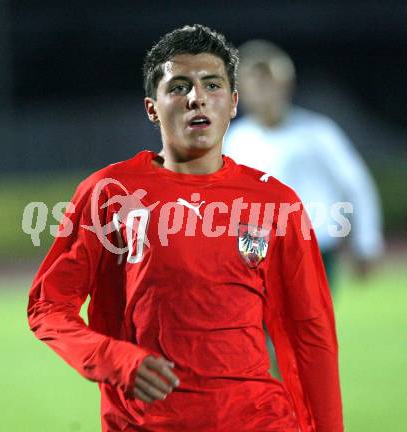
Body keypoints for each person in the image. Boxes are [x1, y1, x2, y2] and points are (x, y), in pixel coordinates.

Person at [28, 25, 343, 432]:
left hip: (261, 420)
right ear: (151, 108)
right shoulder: (110, 194)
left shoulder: (276, 202)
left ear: (232, 103)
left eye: (212, 85)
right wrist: (114, 359)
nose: (197, 97)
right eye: (179, 86)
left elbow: (311, 331)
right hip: (147, 423)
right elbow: (47, 307)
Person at [223, 39, 384, 287]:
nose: (261, 90)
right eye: (253, 83)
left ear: (286, 84)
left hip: (314, 248)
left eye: (268, 81)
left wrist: (366, 241)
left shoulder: (318, 132)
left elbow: (356, 184)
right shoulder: (235, 140)